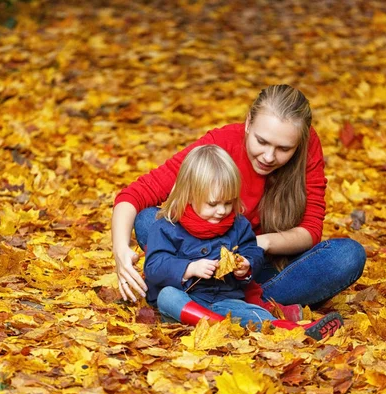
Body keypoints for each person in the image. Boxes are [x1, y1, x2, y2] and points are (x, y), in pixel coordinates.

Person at [112, 84, 366, 313]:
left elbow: (310, 231)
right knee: (148, 220)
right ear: (248, 124)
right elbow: (135, 194)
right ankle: (249, 305)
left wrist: (254, 246)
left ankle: (226, 303)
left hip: (260, 264)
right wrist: (120, 251)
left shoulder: (308, 149)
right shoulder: (221, 144)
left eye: (284, 149)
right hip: (200, 258)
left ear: (299, 144)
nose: (268, 156)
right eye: (261, 141)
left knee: (347, 255)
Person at [144, 145, 343, 339]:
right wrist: (189, 268)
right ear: (188, 197)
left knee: (254, 315)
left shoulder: (238, 224)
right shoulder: (167, 227)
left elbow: (252, 250)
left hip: (226, 301)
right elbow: (154, 267)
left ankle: (294, 331)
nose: (222, 210)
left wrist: (246, 266)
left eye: (228, 202)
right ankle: (217, 324)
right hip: (186, 300)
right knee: (167, 296)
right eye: (213, 204)